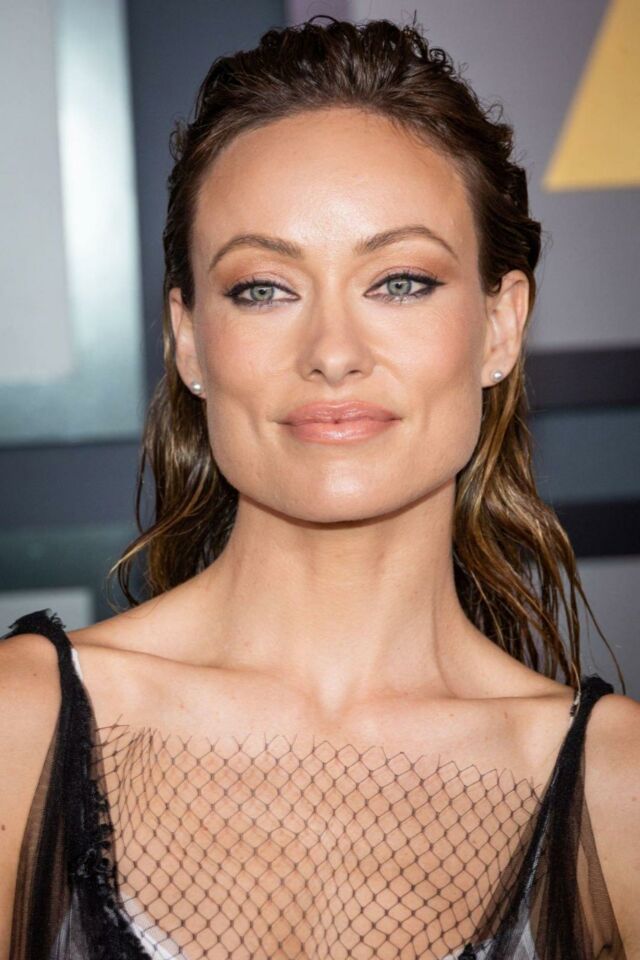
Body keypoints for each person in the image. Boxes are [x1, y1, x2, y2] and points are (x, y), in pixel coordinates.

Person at [0, 15, 638, 960]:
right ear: (189, 341)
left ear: (501, 326)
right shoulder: (21, 728)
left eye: (401, 281)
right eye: (264, 288)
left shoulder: (619, 790)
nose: (334, 353)